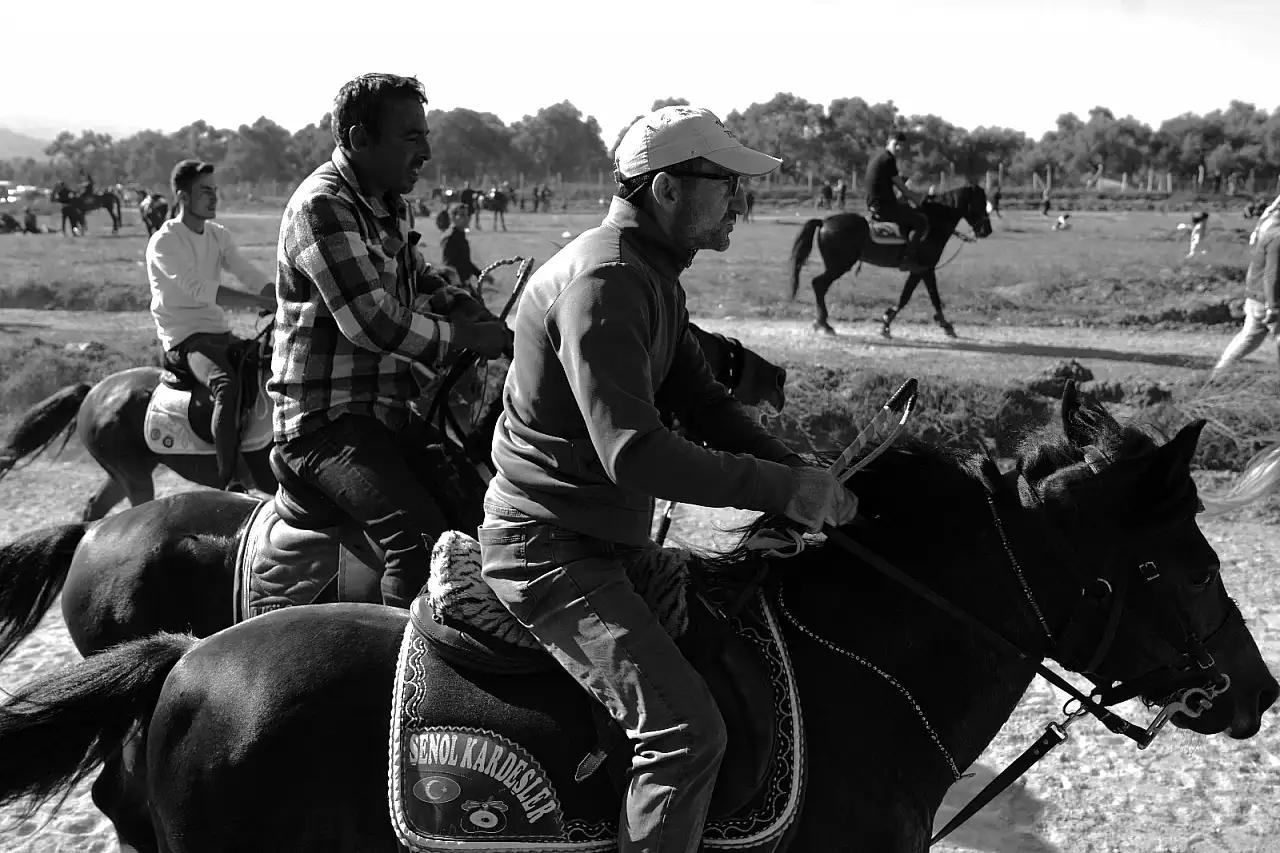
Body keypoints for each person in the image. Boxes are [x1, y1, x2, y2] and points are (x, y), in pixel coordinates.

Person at [478, 105, 857, 853]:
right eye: (726, 184)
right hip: (550, 548)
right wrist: (781, 490)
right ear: (666, 191)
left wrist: (797, 471)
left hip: (598, 539)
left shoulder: (648, 272)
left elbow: (705, 403)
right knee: (687, 734)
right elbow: (635, 453)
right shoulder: (608, 281)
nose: (740, 203)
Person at [270, 73, 512, 609]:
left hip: (385, 415)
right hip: (324, 424)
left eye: (425, 136)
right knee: (420, 543)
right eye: (411, 137)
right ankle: (408, 682)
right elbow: (373, 322)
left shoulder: (388, 204)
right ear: (358, 139)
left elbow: (417, 277)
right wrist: (467, 336)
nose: (426, 151)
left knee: (476, 515)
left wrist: (459, 301)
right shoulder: (322, 206)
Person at [146, 159, 276, 492]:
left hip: (218, 334)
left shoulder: (218, 235)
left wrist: (280, 296)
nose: (214, 198)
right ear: (183, 196)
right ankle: (228, 479)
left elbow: (247, 272)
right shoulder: (166, 241)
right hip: (185, 341)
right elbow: (200, 289)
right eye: (205, 192)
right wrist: (262, 303)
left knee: (272, 366)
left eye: (214, 191)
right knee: (226, 386)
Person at [1211, 200, 1280, 378]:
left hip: (1257, 296)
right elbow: (1271, 275)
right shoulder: (1277, 238)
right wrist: (1272, 306)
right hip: (1265, 298)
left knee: (1249, 337)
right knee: (1251, 337)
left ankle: (1217, 375)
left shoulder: (1269, 230)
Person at [864, 131, 928, 269]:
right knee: (920, 221)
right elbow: (901, 187)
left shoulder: (879, 157)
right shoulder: (888, 160)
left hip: (874, 203)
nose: (899, 148)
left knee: (907, 212)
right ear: (889, 143)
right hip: (883, 206)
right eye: (896, 144)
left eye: (901, 145)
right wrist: (916, 200)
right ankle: (908, 259)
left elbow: (894, 182)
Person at [440, 206, 485, 287]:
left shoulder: (460, 236)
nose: (467, 218)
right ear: (453, 218)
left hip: (464, 283)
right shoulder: (450, 238)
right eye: (462, 215)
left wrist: (480, 274)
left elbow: (464, 261)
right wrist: (458, 286)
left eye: (467, 215)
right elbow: (448, 265)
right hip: (455, 286)